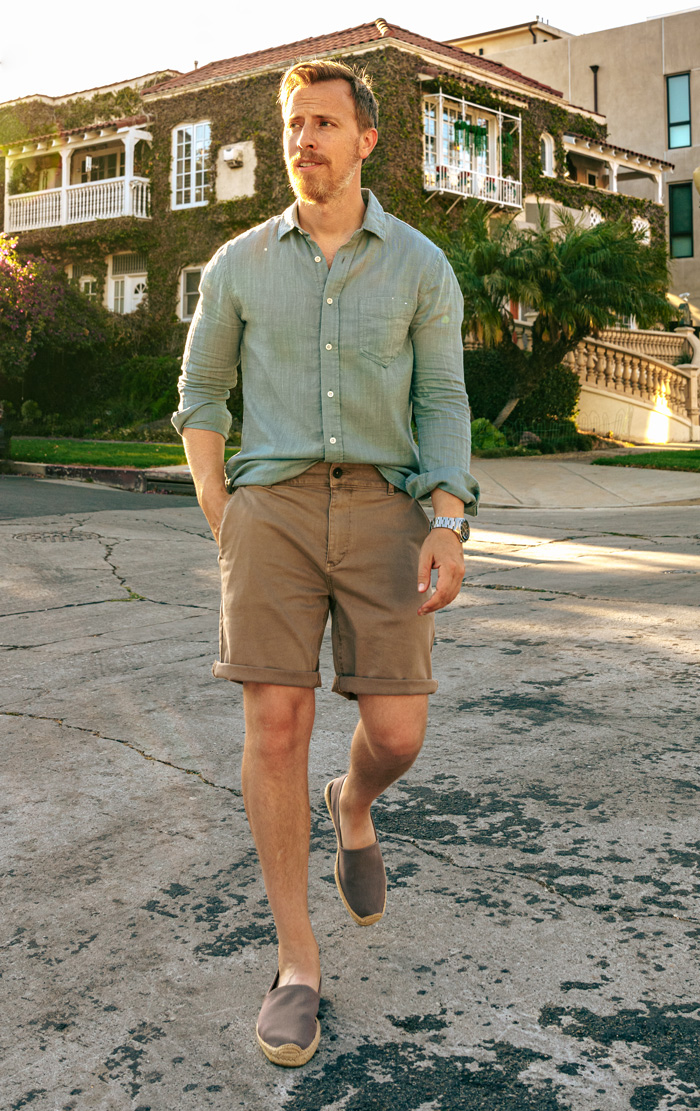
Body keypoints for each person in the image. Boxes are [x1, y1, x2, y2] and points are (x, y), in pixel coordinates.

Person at [172, 58, 479, 1067]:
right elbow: (202, 396)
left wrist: (446, 515)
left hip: (389, 508)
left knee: (394, 730)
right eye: (293, 124)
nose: (303, 140)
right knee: (275, 718)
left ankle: (353, 805)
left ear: (366, 141)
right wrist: (225, 510)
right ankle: (297, 965)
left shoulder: (422, 267)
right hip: (272, 506)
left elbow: (441, 399)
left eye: (323, 124)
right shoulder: (236, 264)